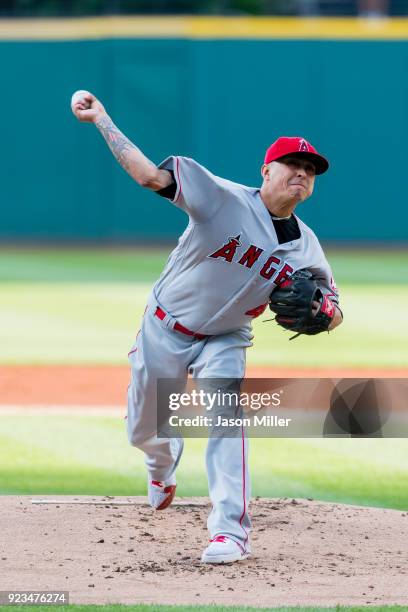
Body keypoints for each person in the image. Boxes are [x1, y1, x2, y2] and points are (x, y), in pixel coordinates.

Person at [71, 89, 343, 564]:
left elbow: (335, 308)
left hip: (228, 337)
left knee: (226, 418)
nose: (302, 173)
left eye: (311, 169)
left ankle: (230, 533)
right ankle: (161, 465)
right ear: (266, 171)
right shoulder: (221, 199)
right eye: (291, 164)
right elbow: (149, 176)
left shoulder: (307, 247)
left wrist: (324, 313)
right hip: (165, 326)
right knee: (143, 429)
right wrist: (103, 119)